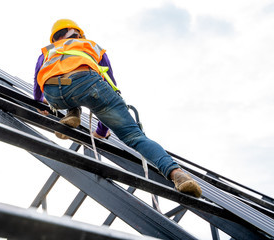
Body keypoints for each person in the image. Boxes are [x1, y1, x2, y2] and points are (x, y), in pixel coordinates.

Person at [33, 19, 202, 198]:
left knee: (70, 93)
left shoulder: (48, 51)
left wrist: (40, 103)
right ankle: (177, 174)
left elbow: (37, 81)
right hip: (88, 84)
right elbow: (108, 81)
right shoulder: (91, 45)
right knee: (136, 137)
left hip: (54, 94)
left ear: (54, 37)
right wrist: (102, 130)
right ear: (78, 32)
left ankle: (73, 113)